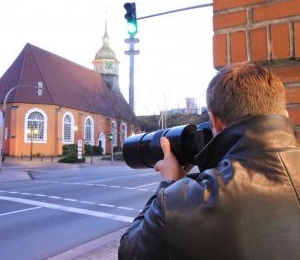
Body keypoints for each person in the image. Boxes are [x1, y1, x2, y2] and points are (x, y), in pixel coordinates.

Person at [118, 62, 300, 260]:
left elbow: (129, 252)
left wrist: (170, 185)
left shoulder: (180, 202)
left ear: (214, 121)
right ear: (285, 114)